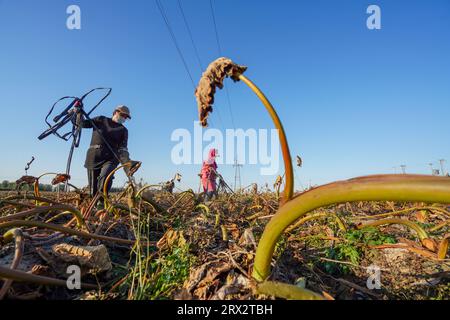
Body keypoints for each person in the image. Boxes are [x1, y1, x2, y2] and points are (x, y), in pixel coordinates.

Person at [76, 105, 139, 207]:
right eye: (123, 115)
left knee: (105, 178)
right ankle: (93, 207)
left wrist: (127, 164)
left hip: (111, 158)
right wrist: (78, 113)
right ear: (115, 112)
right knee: (93, 188)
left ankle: (103, 201)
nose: (124, 118)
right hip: (93, 156)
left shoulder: (123, 130)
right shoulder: (101, 120)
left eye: (126, 117)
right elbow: (81, 124)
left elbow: (123, 149)